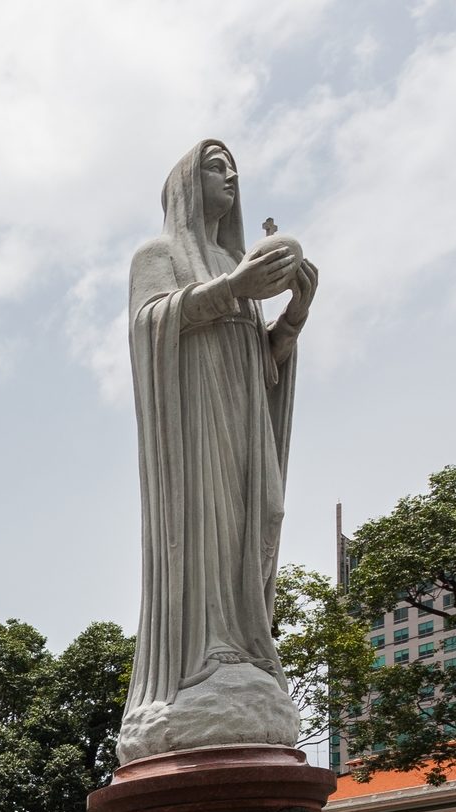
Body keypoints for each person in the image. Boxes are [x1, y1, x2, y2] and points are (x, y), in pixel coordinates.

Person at [119, 139, 317, 762]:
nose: (230, 174)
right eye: (215, 164)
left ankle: (247, 649)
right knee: (205, 530)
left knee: (261, 518)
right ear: (184, 183)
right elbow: (150, 325)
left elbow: (266, 366)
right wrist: (232, 288)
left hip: (244, 423)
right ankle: (204, 657)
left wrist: (292, 317)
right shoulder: (158, 255)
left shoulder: (236, 260)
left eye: (234, 165)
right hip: (194, 430)